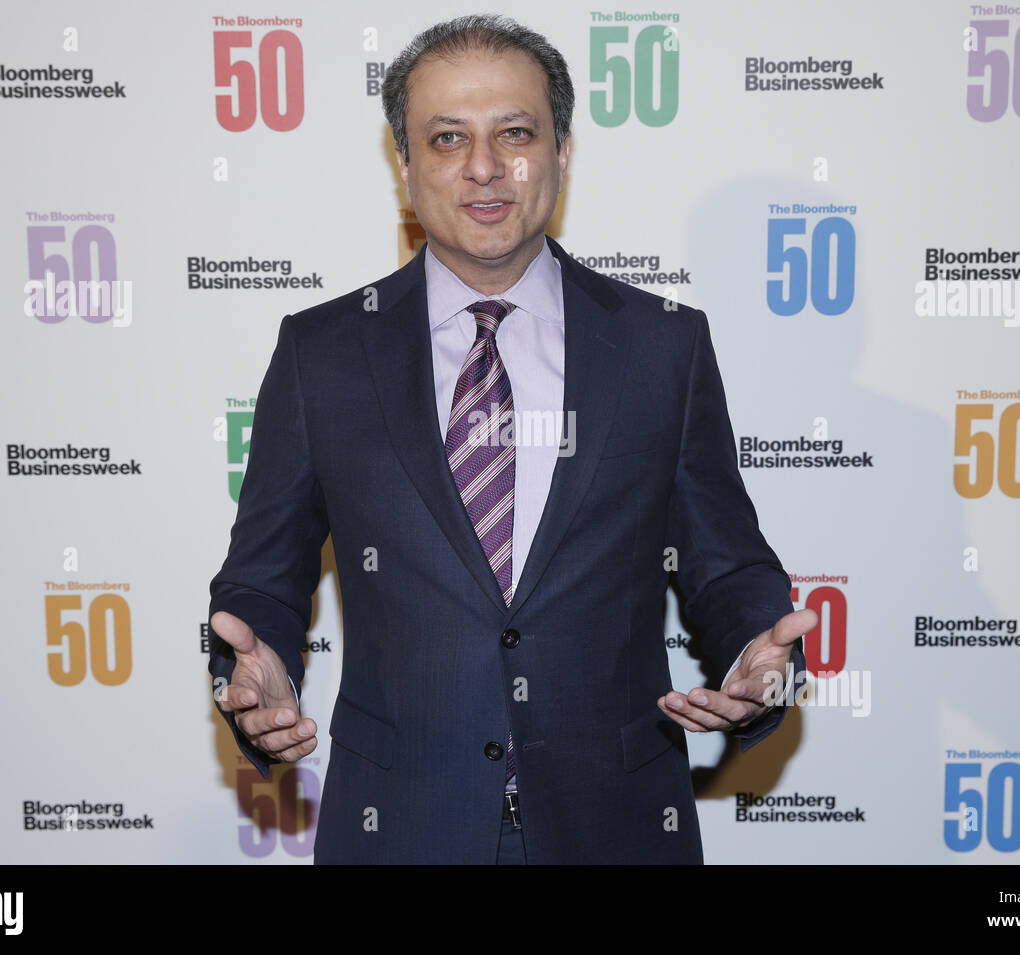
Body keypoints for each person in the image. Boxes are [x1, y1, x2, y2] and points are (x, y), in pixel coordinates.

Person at [208, 13, 812, 864]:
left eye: (515, 133)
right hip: (401, 825)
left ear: (562, 151)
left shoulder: (660, 344)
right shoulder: (323, 352)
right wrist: (257, 664)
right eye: (447, 137)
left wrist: (758, 651)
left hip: (618, 825)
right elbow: (262, 577)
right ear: (404, 162)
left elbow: (726, 562)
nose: (484, 168)